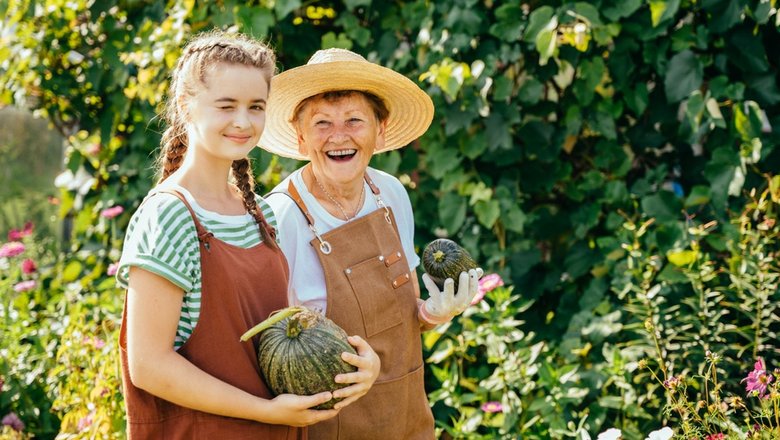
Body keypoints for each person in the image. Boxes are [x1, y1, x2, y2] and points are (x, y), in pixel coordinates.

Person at [115, 32, 379, 439]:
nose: (243, 121)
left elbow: (284, 332)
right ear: (186, 106)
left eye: (255, 107)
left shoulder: (258, 211)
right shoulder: (169, 216)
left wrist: (358, 365)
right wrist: (265, 411)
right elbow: (149, 365)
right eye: (226, 106)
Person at [259, 48, 484, 440]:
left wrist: (436, 313)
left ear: (380, 130)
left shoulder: (391, 193)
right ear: (300, 137)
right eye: (322, 123)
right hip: (332, 424)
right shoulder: (284, 216)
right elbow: (272, 349)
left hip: (407, 415)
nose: (339, 136)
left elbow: (408, 314)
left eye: (354, 120)